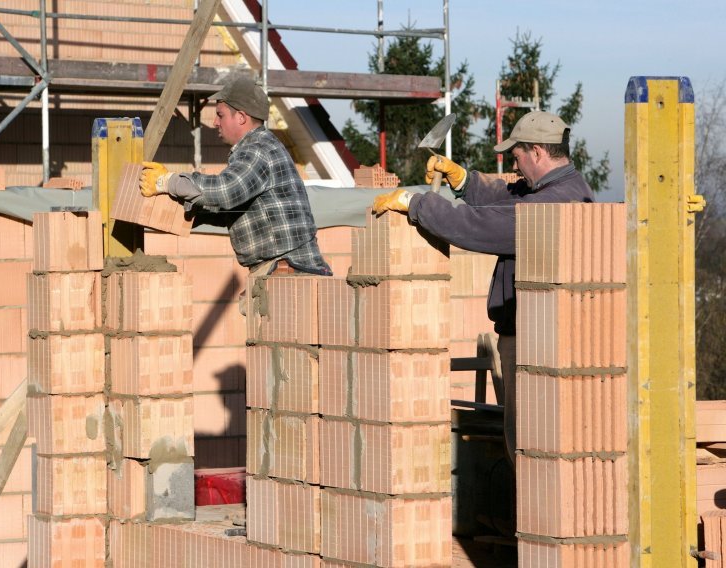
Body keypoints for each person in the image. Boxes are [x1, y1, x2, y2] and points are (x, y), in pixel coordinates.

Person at [373, 111, 594, 467]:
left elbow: (481, 226)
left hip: (537, 341)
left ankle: (527, 520)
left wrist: (416, 204)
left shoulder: (558, 202)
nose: (516, 165)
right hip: (529, 336)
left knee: (527, 445)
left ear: (536, 152)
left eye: (517, 156)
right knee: (521, 439)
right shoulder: (558, 188)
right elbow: (509, 198)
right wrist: (463, 182)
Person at [139, 75, 332, 312]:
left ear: (241, 117)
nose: (214, 122)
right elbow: (229, 210)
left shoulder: (259, 149)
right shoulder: (256, 149)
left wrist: (167, 181)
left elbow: (224, 192)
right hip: (284, 270)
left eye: (220, 114)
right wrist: (179, 212)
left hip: (293, 272)